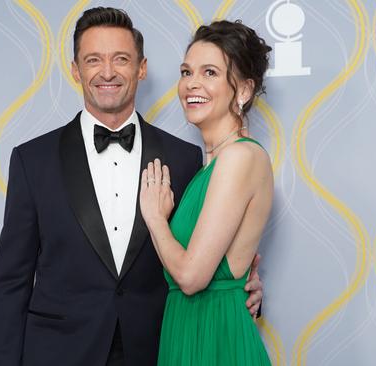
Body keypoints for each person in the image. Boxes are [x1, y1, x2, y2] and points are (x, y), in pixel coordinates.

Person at [0, 7, 262, 366]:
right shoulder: (33, 160)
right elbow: (10, 282)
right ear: (75, 70)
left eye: (121, 59)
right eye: (93, 60)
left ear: (141, 68)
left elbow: (210, 250)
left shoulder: (185, 158)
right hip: (59, 353)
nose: (108, 72)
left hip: (157, 348)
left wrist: (244, 287)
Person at [139, 20, 274, 365]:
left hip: (216, 341)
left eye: (210, 72)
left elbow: (191, 277)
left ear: (243, 91)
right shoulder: (206, 167)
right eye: (186, 72)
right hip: (187, 332)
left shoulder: (240, 157)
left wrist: (155, 219)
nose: (191, 84)